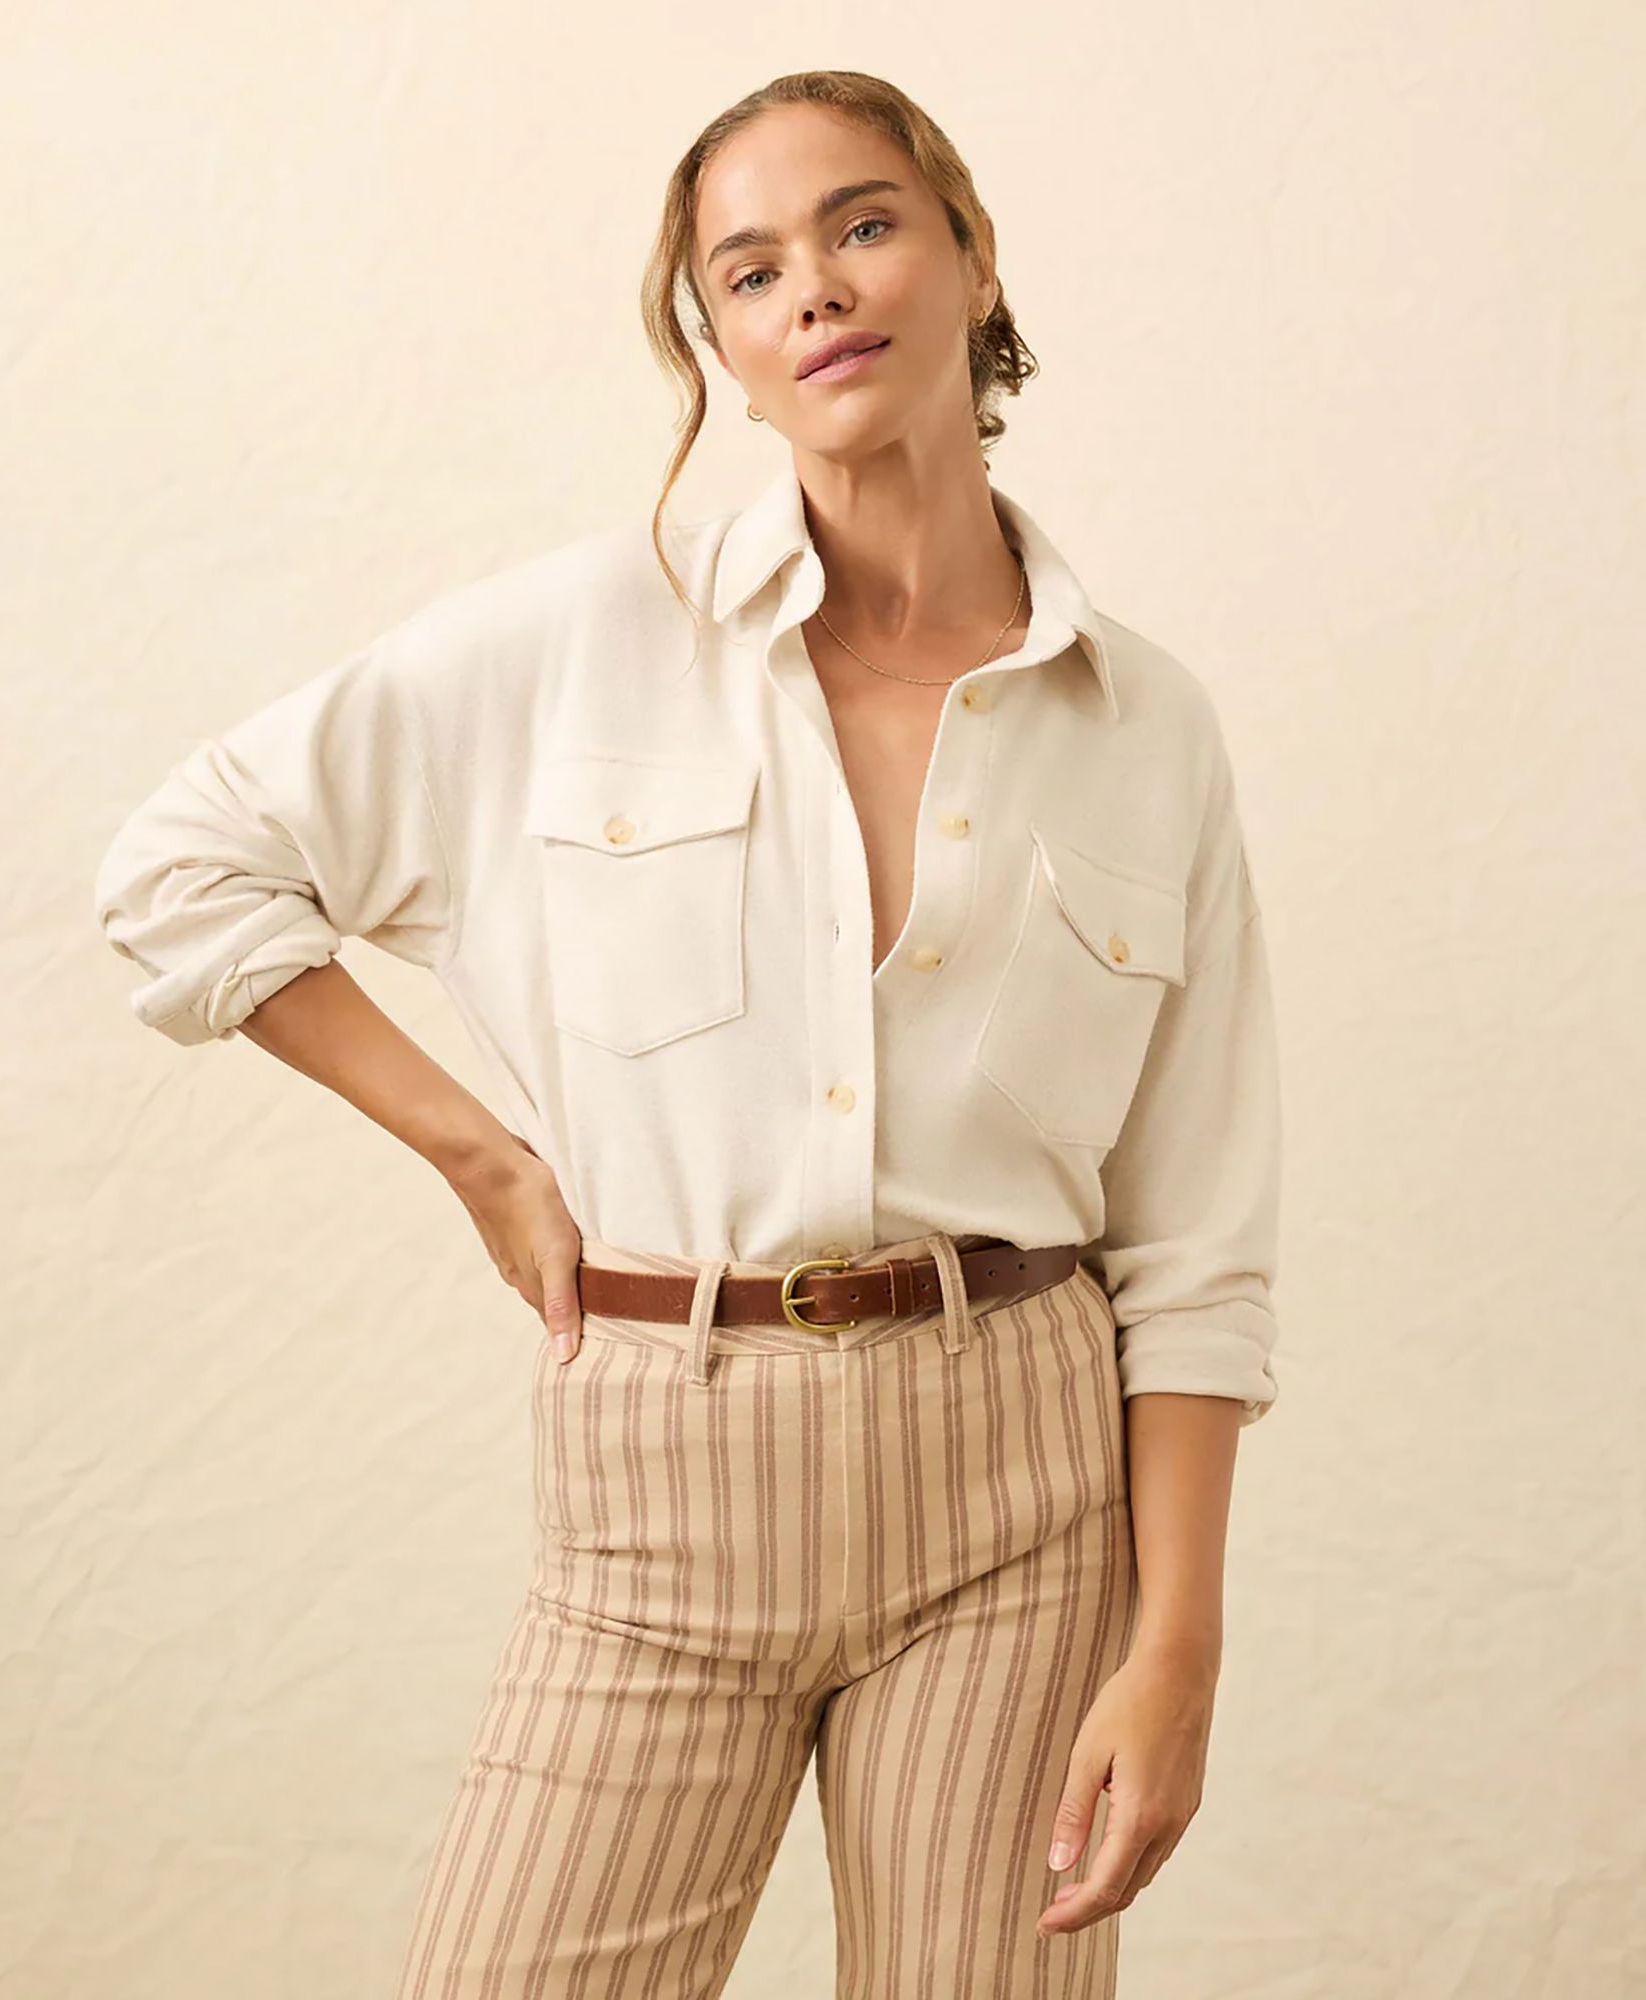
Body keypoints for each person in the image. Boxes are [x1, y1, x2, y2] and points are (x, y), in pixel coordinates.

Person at [93, 68, 1283, 2000]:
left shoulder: (1143, 727)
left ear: (972, 258)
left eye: (863, 224)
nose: (814, 285)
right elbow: (183, 866)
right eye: (749, 269)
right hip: (664, 1469)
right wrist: (477, 1152)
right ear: (723, 351)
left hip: (1023, 1490)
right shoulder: (578, 641)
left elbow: (1199, 1243)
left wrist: (1179, 1648)